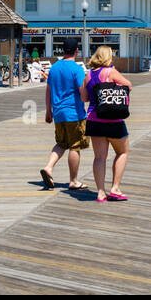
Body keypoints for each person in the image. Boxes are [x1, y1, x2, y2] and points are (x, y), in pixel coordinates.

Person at [80, 47, 132, 201]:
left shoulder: (88, 75)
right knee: (122, 152)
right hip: (114, 119)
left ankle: (100, 192)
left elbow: (84, 97)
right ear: (108, 57)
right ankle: (115, 188)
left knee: (99, 157)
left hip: (94, 119)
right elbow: (128, 85)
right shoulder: (110, 72)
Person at [39, 39, 88, 191]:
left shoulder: (54, 68)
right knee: (75, 146)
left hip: (58, 114)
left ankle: (48, 167)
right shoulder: (77, 69)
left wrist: (48, 111)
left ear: (62, 50)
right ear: (77, 51)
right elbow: (83, 94)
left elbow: (48, 91)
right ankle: (73, 181)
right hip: (74, 114)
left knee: (61, 143)